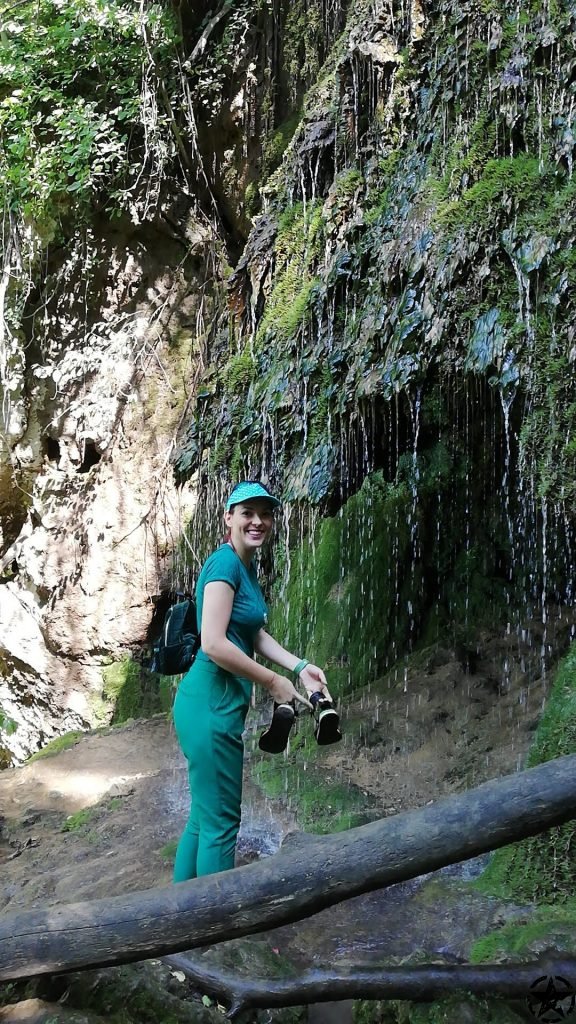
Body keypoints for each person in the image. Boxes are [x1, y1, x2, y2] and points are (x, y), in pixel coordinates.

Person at [172, 480, 339, 883]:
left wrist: (300, 667)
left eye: (265, 514)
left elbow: (252, 633)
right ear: (228, 518)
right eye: (247, 513)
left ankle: (178, 910)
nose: (258, 521)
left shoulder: (243, 566)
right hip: (210, 705)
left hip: (214, 705)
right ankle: (214, 917)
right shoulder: (224, 565)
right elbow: (213, 643)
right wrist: (271, 682)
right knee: (222, 824)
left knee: (203, 818)